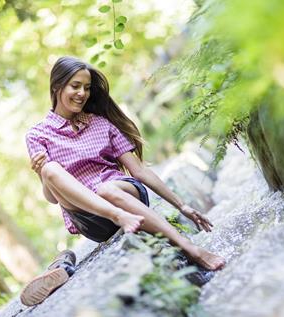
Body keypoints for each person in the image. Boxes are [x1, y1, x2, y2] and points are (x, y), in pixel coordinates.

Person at [25, 56, 225, 272]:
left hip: (123, 194)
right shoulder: (38, 135)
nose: (82, 93)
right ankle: (119, 216)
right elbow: (53, 198)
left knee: (106, 188)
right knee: (50, 169)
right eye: (75, 86)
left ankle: (191, 250)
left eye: (87, 87)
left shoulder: (101, 123)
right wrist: (41, 174)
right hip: (91, 218)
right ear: (57, 86)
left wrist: (182, 206)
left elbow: (139, 170)